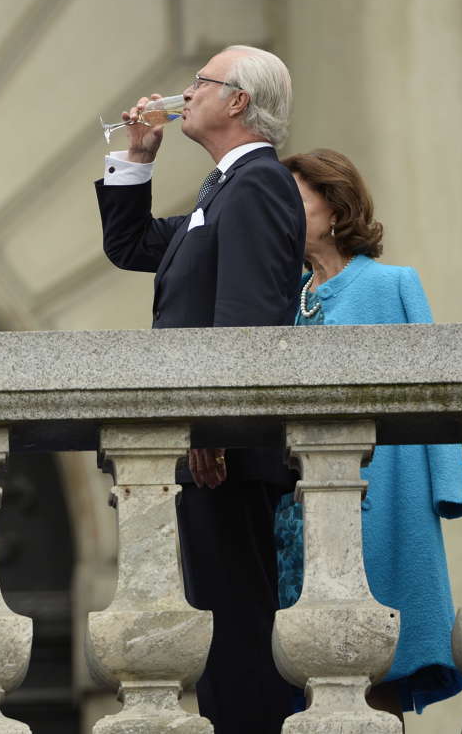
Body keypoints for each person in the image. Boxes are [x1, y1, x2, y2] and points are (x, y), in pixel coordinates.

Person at [95, 45, 304, 732]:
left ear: (238, 100)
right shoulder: (223, 188)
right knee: (221, 634)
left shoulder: (260, 182)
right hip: (215, 454)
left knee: (239, 634)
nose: (186, 93)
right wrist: (139, 154)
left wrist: (213, 428)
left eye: (200, 84)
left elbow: (246, 317)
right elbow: (130, 247)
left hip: (229, 458)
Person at [276, 148, 462, 720]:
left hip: (389, 498)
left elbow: (438, 391)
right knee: (308, 674)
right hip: (297, 509)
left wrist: (446, 488)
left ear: (335, 209)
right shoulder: (283, 292)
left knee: (382, 666)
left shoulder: (393, 285)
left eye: (294, 199)